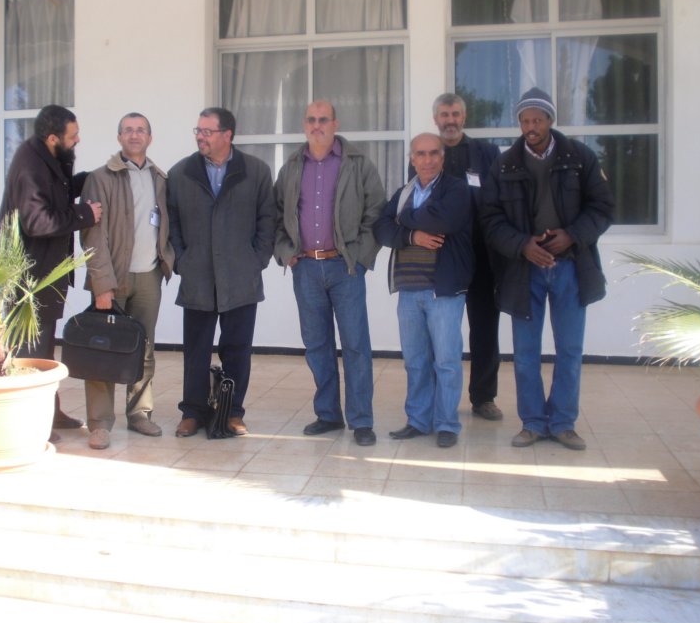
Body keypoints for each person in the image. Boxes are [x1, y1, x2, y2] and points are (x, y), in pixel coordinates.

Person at [481, 87, 614, 451]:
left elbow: (603, 208)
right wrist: (523, 245)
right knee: (525, 352)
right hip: (525, 272)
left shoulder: (580, 157)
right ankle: (533, 423)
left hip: (570, 267)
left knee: (569, 349)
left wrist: (572, 235)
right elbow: (490, 219)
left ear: (550, 120)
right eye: (524, 120)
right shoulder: (504, 164)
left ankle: (563, 423)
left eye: (537, 120)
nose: (531, 127)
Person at [274, 99, 387, 447]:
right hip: (306, 267)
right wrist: (287, 253)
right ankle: (328, 415)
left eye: (323, 119)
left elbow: (376, 212)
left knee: (355, 345)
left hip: (345, 266)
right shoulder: (292, 166)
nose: (317, 125)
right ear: (304, 124)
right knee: (317, 345)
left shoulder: (358, 163)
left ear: (335, 124)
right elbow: (275, 214)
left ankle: (361, 420)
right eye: (311, 119)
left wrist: (360, 259)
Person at [167, 107, 276, 438]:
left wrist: (256, 259)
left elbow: (267, 219)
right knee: (196, 349)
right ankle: (193, 411)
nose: (200, 137)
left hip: (241, 277)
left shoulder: (255, 171)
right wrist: (183, 261)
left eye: (207, 131)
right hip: (198, 277)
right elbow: (172, 225)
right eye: (198, 131)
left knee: (237, 349)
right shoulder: (180, 173)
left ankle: (232, 412)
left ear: (228, 135)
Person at [0, 104, 102, 440]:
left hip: (44, 275)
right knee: (31, 354)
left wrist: (95, 178)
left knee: (43, 351)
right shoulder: (30, 166)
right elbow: (39, 222)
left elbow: (59, 194)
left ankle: (49, 414)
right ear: (53, 138)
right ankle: (31, 425)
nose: (77, 140)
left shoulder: (47, 158)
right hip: (28, 279)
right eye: (73, 136)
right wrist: (85, 215)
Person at [79, 112, 174, 450]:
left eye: (141, 130)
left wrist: (167, 261)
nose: (135, 135)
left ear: (150, 137)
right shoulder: (100, 178)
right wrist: (102, 284)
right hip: (112, 280)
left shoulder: (160, 178)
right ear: (119, 137)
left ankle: (139, 413)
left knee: (143, 349)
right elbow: (92, 235)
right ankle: (100, 423)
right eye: (128, 130)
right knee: (102, 350)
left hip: (149, 277)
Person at [374, 133, 473, 449]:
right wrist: (412, 236)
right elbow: (381, 228)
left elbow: (442, 219)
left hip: (443, 291)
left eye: (433, 153)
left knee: (446, 361)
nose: (427, 160)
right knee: (415, 360)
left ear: (442, 157)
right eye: (421, 154)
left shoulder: (456, 189)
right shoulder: (404, 193)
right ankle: (418, 420)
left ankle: (446, 424)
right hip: (408, 290)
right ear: (412, 159)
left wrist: (403, 219)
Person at [429, 93, 504, 422]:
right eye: (444, 114)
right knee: (441, 332)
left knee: (485, 329)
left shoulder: (487, 154)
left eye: (455, 114)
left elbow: (497, 203)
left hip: (482, 256)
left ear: (464, 116)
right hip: (442, 258)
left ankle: (483, 397)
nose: (450, 120)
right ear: (436, 119)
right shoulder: (428, 154)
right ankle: (438, 396)